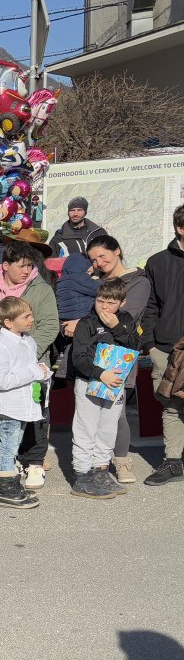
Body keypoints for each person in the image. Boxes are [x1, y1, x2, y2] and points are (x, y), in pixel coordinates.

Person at [0, 240, 60, 488]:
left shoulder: (41, 289)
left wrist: (27, 356)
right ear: (5, 266)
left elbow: (50, 325)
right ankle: (9, 464)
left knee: (35, 415)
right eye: (21, 266)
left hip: (33, 365)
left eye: (29, 266)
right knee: (3, 414)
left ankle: (34, 464)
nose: (26, 270)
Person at [84, 235, 153, 484]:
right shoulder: (93, 283)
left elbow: (126, 316)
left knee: (117, 410)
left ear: (118, 251)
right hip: (92, 349)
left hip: (119, 352)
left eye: (103, 255)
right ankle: (95, 460)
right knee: (91, 409)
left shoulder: (137, 281)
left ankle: (121, 460)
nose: (99, 262)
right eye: (94, 259)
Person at [69, 278, 140, 500]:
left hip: (115, 384)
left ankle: (100, 469)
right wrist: (101, 373)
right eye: (101, 301)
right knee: (86, 427)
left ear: (122, 302)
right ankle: (82, 473)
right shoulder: (87, 323)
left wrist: (116, 327)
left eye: (110, 303)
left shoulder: (126, 319)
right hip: (90, 381)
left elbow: (134, 346)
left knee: (108, 427)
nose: (104, 307)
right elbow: (78, 357)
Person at [0, 296, 48, 509]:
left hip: (24, 405)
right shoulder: (2, 344)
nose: (31, 319)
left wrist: (41, 370)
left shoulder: (27, 339)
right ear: (8, 322)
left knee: (14, 445)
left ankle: (11, 482)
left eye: (30, 314)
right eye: (26, 316)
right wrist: (33, 372)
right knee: (9, 448)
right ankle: (6, 489)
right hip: (9, 407)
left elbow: (30, 366)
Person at [141, 203, 184, 486]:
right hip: (167, 349)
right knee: (171, 407)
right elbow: (150, 307)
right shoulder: (157, 262)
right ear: (180, 228)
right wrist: (151, 347)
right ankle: (173, 462)